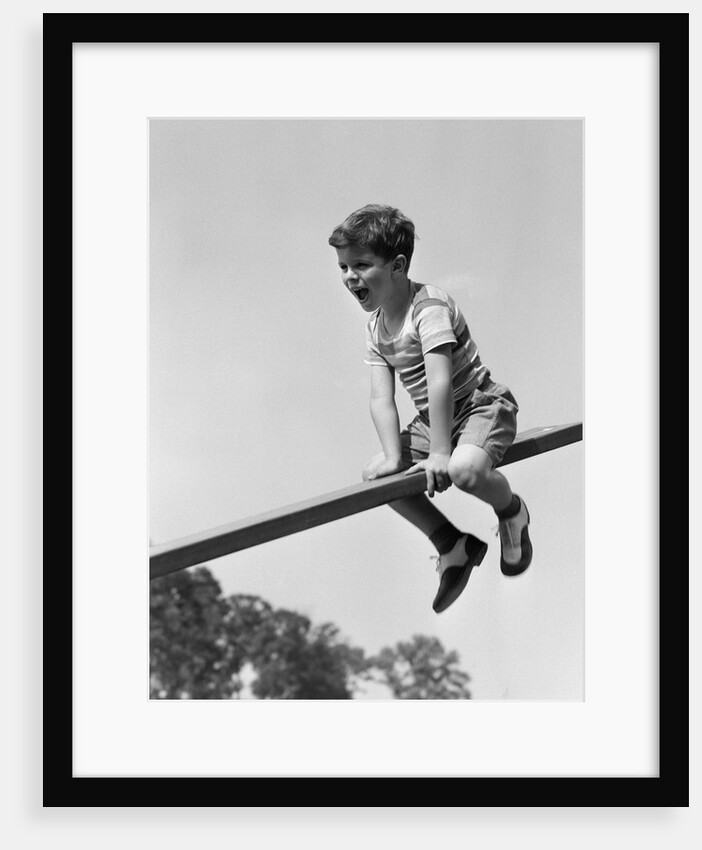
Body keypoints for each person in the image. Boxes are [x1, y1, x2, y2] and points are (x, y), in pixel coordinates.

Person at [328, 203, 532, 613]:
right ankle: (451, 544)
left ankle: (512, 511)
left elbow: (441, 381)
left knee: (463, 471)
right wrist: (392, 457)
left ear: (397, 266)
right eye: (344, 267)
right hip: (433, 421)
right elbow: (381, 398)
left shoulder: (428, 307)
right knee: (377, 478)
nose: (350, 277)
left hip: (478, 405)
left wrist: (440, 453)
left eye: (362, 265)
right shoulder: (376, 327)